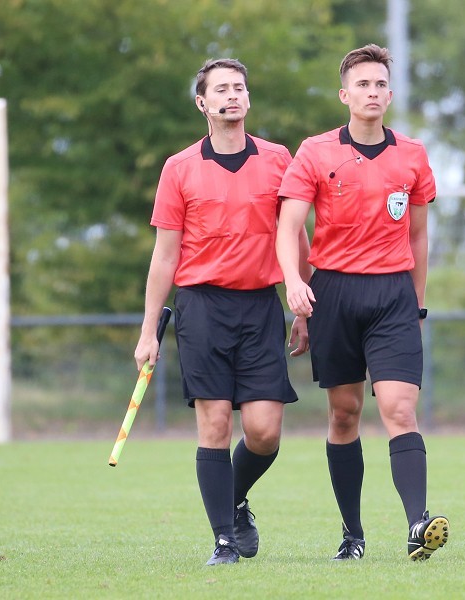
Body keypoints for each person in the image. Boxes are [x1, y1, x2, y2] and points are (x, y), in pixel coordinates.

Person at [134, 58, 311, 566]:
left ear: (248, 99)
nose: (232, 96)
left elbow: (296, 236)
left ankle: (236, 499)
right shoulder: (179, 167)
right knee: (213, 425)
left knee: (264, 432)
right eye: (221, 90)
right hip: (201, 308)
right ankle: (224, 541)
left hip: (260, 306)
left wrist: (303, 307)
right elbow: (165, 256)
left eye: (239, 88)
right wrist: (148, 331)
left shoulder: (279, 159)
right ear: (202, 104)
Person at [275, 44, 449, 562]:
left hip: (393, 296)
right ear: (344, 94)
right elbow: (289, 227)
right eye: (363, 85)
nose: (372, 93)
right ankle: (352, 535)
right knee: (345, 414)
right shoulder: (315, 152)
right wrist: (294, 282)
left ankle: (418, 524)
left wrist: (416, 304)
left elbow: (418, 237)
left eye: (380, 85)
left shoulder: (412, 155)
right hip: (334, 293)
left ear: (390, 95)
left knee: (399, 408)